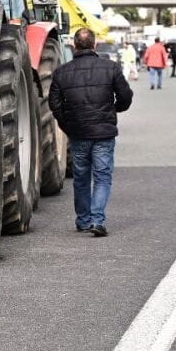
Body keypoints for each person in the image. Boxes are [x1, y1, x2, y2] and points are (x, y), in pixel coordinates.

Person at [48, 28, 133, 237]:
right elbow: (125, 96)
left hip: (78, 133)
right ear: (94, 45)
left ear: (74, 46)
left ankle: (83, 220)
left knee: (81, 178)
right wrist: (114, 109)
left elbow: (54, 104)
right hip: (104, 132)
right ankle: (97, 220)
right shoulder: (110, 68)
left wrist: (67, 124)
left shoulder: (61, 72)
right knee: (102, 176)